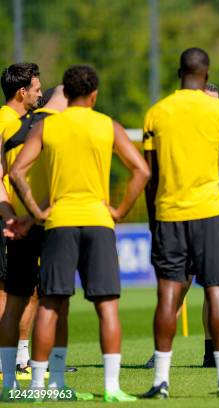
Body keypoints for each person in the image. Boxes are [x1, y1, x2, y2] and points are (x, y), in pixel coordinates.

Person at [10, 65, 149, 402]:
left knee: (50, 305)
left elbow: (17, 171)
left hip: (59, 222)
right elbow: (141, 170)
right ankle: (113, 388)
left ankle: (40, 386)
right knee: (107, 306)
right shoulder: (107, 125)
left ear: (65, 95)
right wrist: (119, 211)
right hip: (99, 222)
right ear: (95, 95)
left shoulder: (47, 126)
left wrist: (36, 211)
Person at [141, 47, 219, 399]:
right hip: (208, 212)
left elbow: (149, 175)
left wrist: (153, 219)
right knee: (216, 291)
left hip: (168, 213)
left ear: (178, 71)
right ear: (207, 72)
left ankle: (160, 381)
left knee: (168, 295)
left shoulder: (156, 113)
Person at [0, 86, 83, 400]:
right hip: (52, 224)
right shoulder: (60, 130)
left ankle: (10, 386)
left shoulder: (16, 129)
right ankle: (52, 384)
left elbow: (6, 176)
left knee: (18, 300)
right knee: (57, 303)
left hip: (19, 224)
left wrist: (13, 216)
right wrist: (35, 215)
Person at [0, 63, 42, 378]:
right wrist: (9, 216)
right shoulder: (6, 121)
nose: (40, 93)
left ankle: (20, 359)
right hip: (7, 220)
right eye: (37, 88)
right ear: (22, 91)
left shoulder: (24, 123)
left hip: (20, 220)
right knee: (7, 290)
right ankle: (7, 363)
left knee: (28, 290)